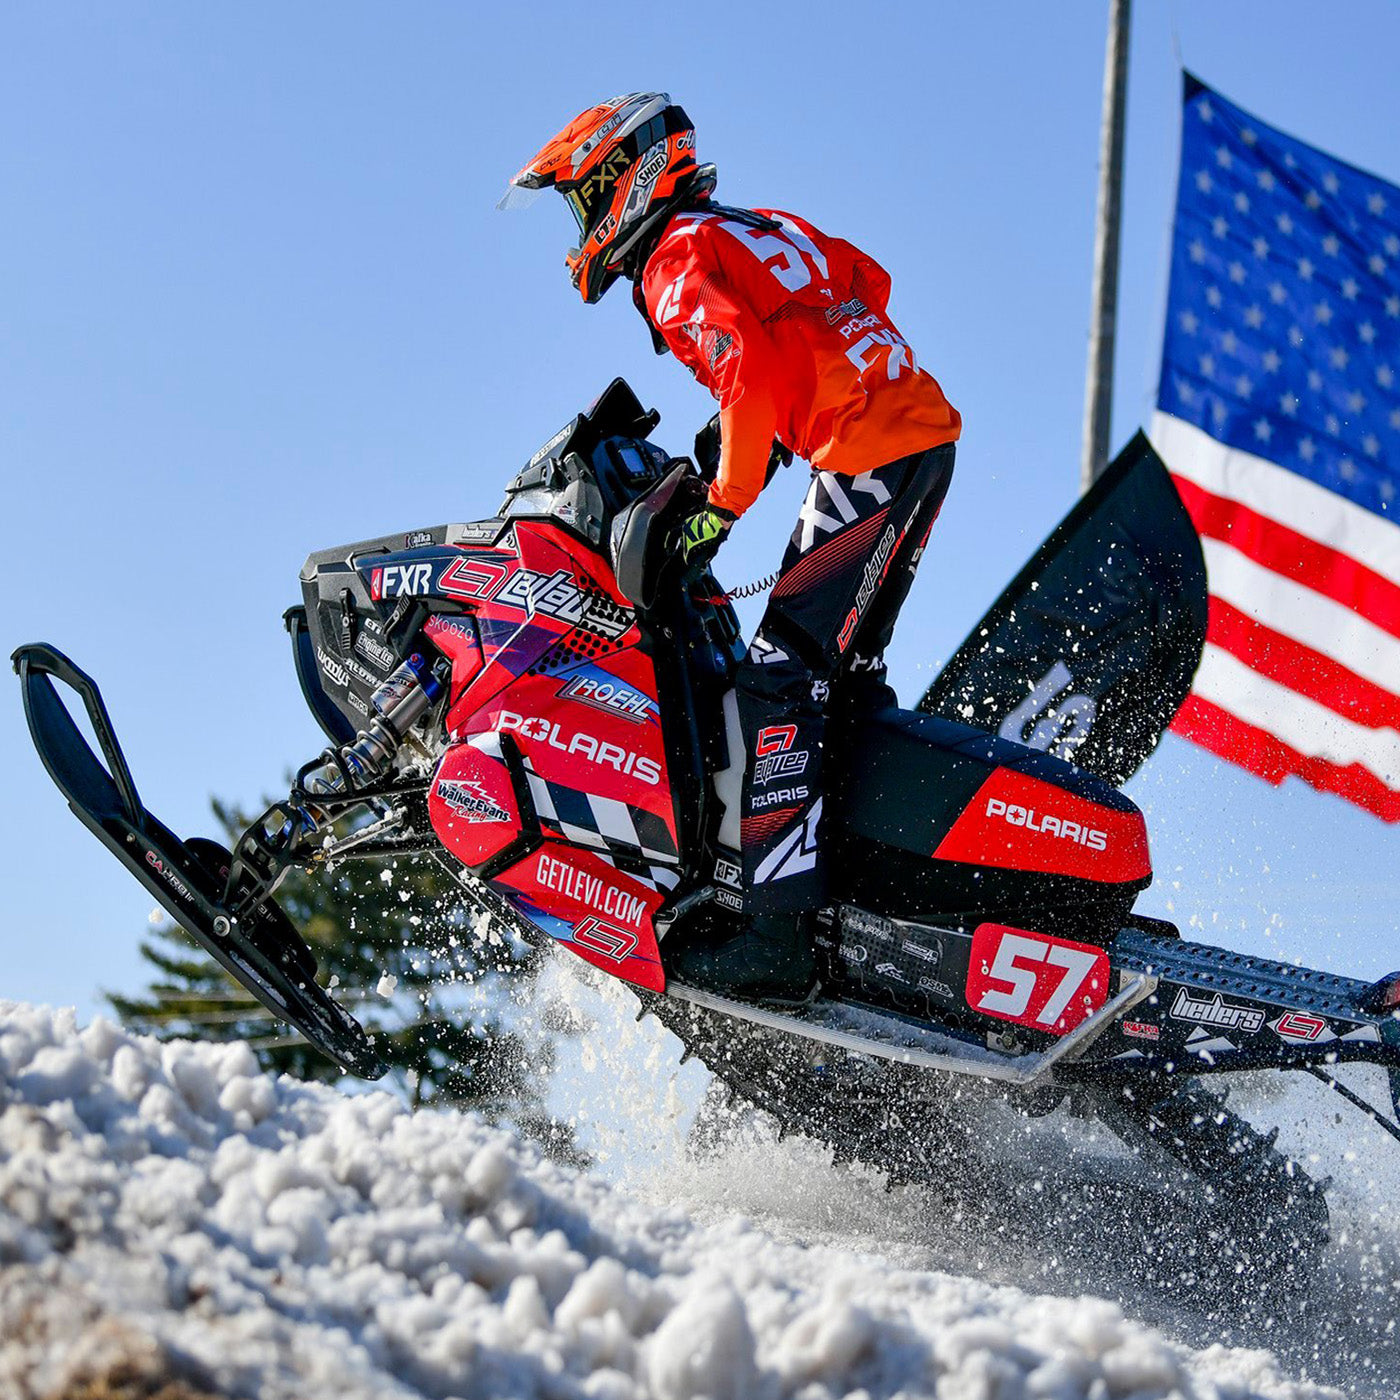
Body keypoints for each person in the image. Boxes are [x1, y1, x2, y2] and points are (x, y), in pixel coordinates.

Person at [503, 92, 960, 1002]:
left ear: (623, 182)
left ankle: (782, 933)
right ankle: (875, 883)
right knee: (842, 677)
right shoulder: (755, 223)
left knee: (778, 684)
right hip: (912, 431)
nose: (584, 225)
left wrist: (721, 502)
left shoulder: (672, 262)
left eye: (585, 201)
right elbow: (864, 281)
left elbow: (745, 368)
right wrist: (795, 406)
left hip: (867, 450)